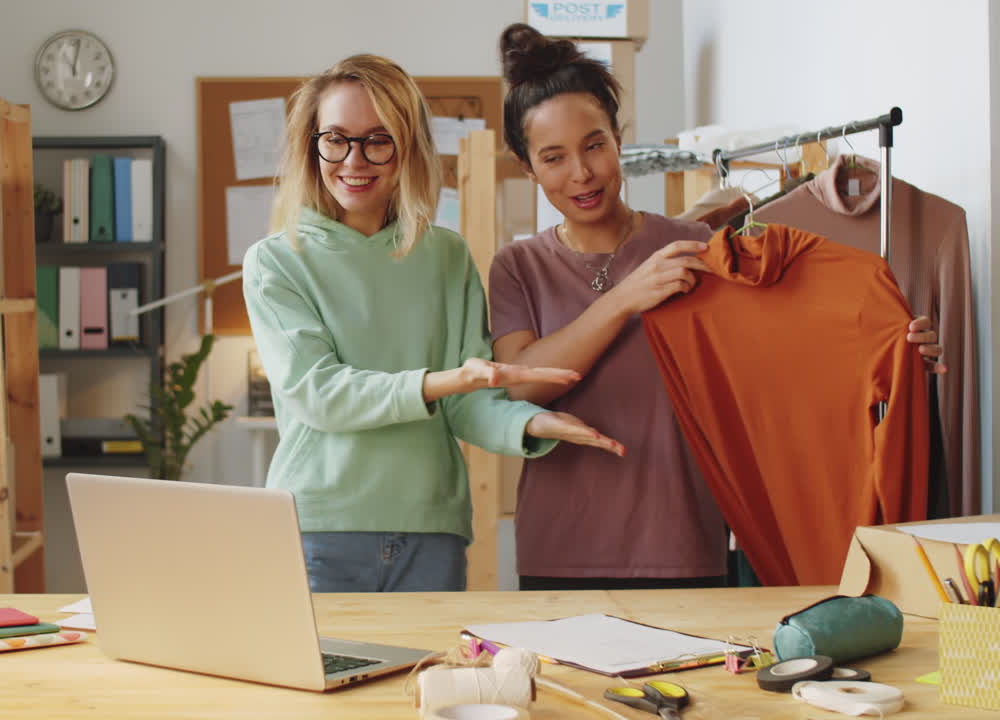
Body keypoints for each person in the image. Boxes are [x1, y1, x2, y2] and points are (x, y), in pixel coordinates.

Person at [488, 24, 944, 591]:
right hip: (559, 550)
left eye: (594, 145)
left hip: (686, 546)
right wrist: (626, 299)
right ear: (527, 166)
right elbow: (518, 384)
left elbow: (784, 359)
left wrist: (888, 345)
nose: (580, 173)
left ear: (619, 138)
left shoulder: (695, 248)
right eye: (553, 158)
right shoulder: (517, 266)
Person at [242, 54, 623, 594]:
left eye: (379, 139)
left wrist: (530, 424)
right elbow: (318, 393)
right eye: (336, 139)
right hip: (317, 531)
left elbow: (469, 403)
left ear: (407, 148)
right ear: (312, 144)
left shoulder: (445, 255)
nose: (355, 160)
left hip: (433, 531)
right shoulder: (276, 261)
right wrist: (445, 382)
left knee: (429, 682)